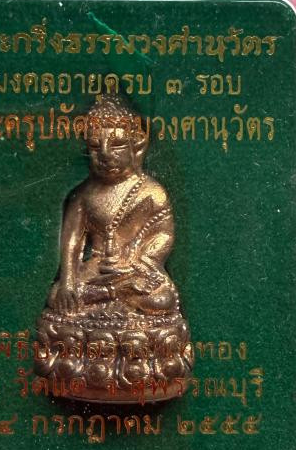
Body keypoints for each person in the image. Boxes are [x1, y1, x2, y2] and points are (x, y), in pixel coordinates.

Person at [35, 94, 192, 402]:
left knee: (161, 299)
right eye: (95, 147)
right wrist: (69, 281)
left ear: (138, 147)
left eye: (117, 145)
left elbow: (163, 235)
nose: (105, 154)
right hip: (95, 271)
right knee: (58, 299)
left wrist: (141, 261)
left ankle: (113, 324)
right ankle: (107, 318)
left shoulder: (151, 193)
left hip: (135, 272)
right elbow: (72, 241)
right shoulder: (83, 195)